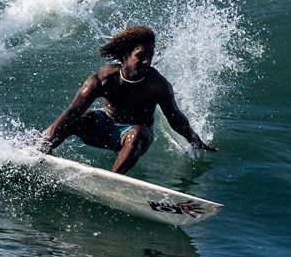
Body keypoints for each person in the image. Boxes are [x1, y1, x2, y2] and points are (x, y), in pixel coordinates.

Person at [38, 25, 218, 175]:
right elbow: (72, 112)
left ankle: (113, 180)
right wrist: (42, 143)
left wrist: (194, 139)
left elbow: (175, 118)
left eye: (151, 55)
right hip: (103, 127)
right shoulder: (103, 80)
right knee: (76, 118)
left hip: (133, 137)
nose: (147, 61)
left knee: (137, 133)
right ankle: (41, 153)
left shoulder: (158, 86)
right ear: (126, 55)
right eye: (141, 56)